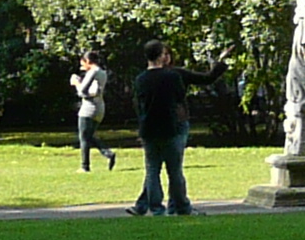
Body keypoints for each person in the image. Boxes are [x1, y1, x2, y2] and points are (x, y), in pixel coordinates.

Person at [128, 40, 225, 216]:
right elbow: (179, 97)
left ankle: (155, 208)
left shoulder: (140, 79)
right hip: (171, 126)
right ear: (160, 55)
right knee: (174, 171)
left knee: (152, 170)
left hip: (149, 129)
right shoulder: (173, 76)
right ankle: (181, 207)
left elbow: (139, 106)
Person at [71, 53, 115, 173]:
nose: (82, 67)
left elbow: (82, 92)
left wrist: (76, 83)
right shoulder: (102, 72)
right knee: (89, 135)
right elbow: (93, 90)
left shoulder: (92, 72)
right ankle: (108, 153)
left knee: (84, 137)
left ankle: (85, 166)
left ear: (88, 61)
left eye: (83, 63)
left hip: (88, 109)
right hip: (99, 108)